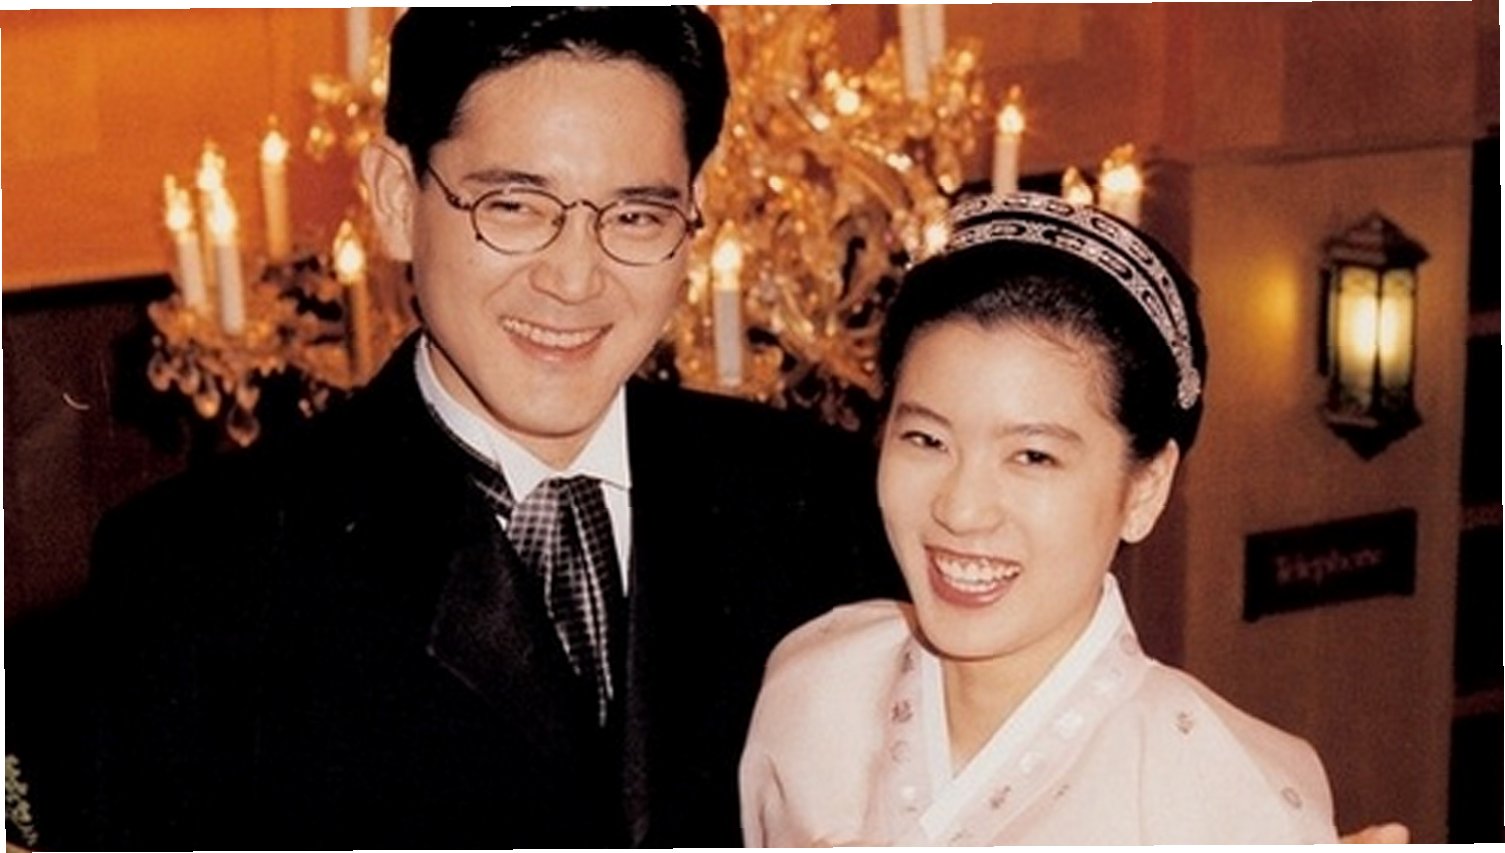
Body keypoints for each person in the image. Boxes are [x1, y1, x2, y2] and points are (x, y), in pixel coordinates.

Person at [9, 8, 897, 848]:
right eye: (513, 206)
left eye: (635, 216)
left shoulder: (822, 504)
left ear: (692, 215)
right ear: (397, 198)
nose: (574, 279)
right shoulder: (197, 570)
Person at [739, 192, 1341, 845]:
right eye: (927, 440)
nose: (960, 509)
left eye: (1032, 456)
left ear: (1145, 486)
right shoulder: (817, 683)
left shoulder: (1222, 794)